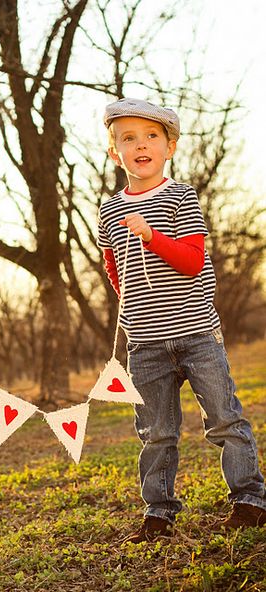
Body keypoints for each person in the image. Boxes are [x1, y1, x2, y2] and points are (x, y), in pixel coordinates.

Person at [97, 98, 266, 543]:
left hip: (196, 334)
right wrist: (137, 309)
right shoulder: (110, 210)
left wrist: (151, 236)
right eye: (127, 138)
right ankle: (159, 511)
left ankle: (249, 500)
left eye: (151, 136)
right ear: (115, 152)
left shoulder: (180, 196)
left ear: (169, 146)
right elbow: (114, 268)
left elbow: (192, 261)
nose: (140, 145)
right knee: (155, 432)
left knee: (224, 419)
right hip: (145, 344)